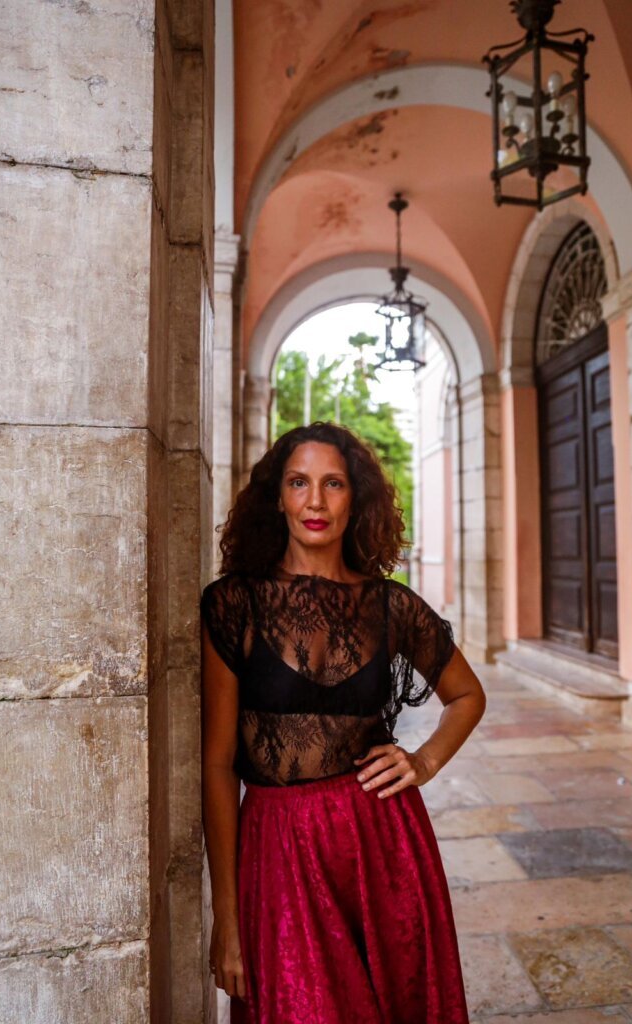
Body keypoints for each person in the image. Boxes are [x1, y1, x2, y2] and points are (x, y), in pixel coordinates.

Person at [200, 421, 486, 1024]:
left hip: (382, 845)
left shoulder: (392, 605)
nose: (315, 501)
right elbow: (219, 766)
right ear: (277, 497)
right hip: (279, 849)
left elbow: (467, 696)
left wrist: (424, 760)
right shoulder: (233, 604)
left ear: (356, 499)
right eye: (298, 483)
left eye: (332, 484)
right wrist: (226, 916)